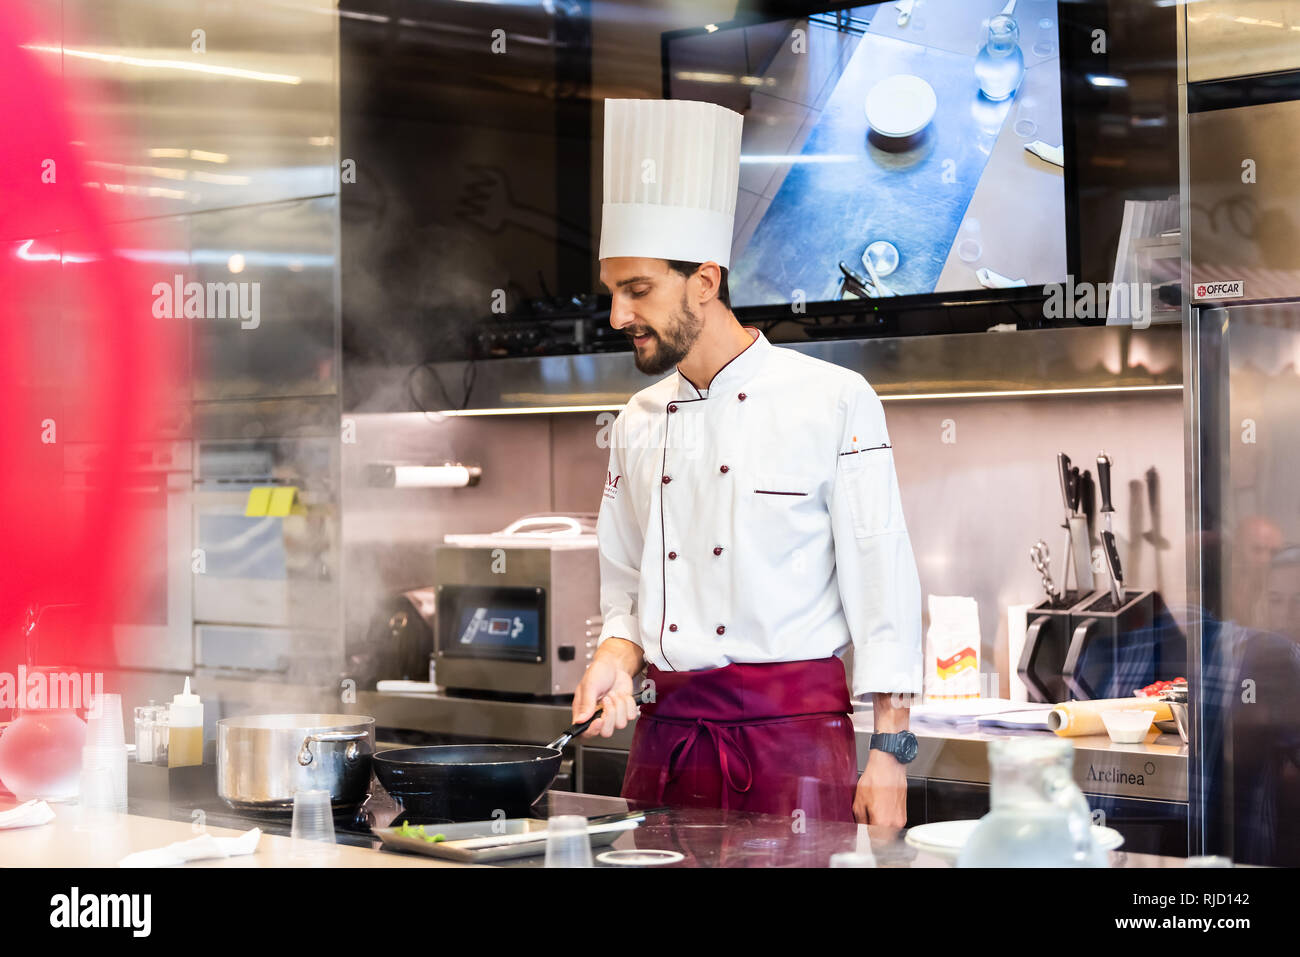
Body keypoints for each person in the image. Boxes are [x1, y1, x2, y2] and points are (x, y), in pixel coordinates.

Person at [572, 98, 923, 826]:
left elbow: (880, 582)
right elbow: (627, 590)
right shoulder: (635, 422)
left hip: (792, 748)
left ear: (704, 281)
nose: (617, 317)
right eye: (612, 292)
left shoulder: (832, 398)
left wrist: (890, 750)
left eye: (637, 290)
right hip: (665, 744)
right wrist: (617, 656)